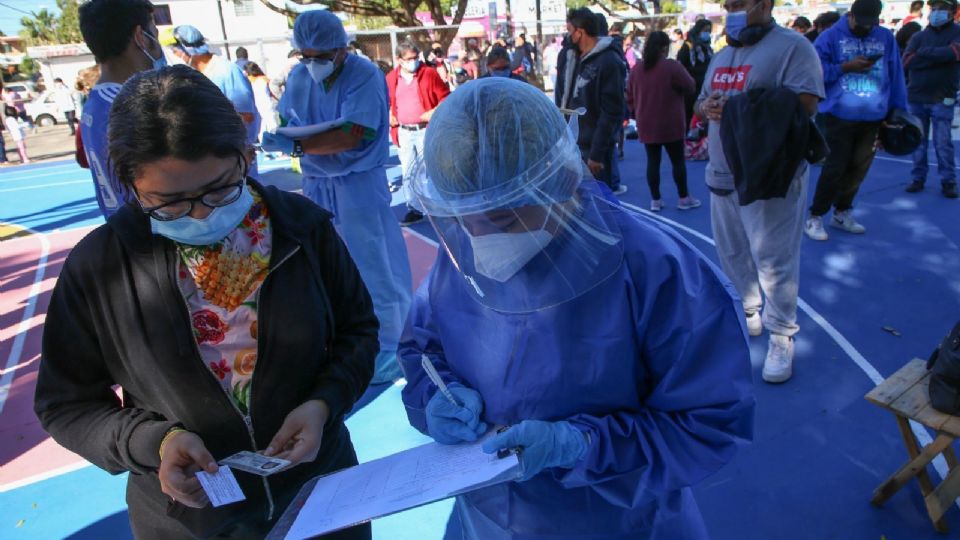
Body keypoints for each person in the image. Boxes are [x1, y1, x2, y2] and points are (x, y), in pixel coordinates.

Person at [398, 77, 754, 540]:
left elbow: (708, 419)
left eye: (501, 216)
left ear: (560, 180)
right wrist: (435, 397)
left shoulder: (657, 270)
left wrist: (582, 444)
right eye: (461, 214)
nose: (478, 235)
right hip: (487, 515)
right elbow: (424, 347)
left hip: (617, 520)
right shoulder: (462, 250)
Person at [34, 65, 376, 540]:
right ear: (131, 185)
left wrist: (323, 403)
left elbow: (358, 332)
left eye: (220, 188)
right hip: (189, 521)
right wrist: (155, 442)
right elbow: (66, 403)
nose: (201, 213)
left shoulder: (302, 229)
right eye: (169, 202)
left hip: (322, 497)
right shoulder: (99, 267)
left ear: (243, 155)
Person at [263, 10, 413, 385]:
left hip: (358, 185)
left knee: (374, 264)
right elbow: (288, 122)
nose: (313, 64)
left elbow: (354, 134)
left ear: (342, 49)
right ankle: (343, 338)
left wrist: (297, 146)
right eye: (306, 56)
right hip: (317, 184)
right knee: (324, 264)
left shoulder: (363, 74)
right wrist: (284, 136)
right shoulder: (300, 77)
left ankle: (391, 346)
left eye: (322, 56)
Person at [696, 0, 824, 383]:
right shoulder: (722, 55)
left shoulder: (793, 47)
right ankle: (750, 310)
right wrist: (709, 106)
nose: (733, 8)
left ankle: (782, 334)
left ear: (765, 4)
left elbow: (807, 103)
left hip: (770, 174)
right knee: (732, 252)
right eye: (728, 3)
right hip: (722, 172)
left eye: (741, 2)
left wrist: (741, 106)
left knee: (773, 260)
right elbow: (701, 103)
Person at [806, 0, 908, 240]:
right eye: (861, 22)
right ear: (850, 15)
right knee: (834, 167)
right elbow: (815, 73)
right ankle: (815, 216)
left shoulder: (885, 37)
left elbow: (895, 75)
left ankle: (842, 212)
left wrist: (897, 110)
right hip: (838, 114)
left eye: (870, 23)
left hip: (873, 115)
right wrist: (845, 67)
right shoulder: (829, 37)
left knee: (858, 170)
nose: (865, 28)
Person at [78, 0, 165, 217]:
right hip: (154, 235)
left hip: (127, 233)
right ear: (140, 36)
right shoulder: (132, 105)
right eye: (154, 32)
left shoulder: (97, 101)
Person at [164, 25, 261, 174]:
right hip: (213, 158)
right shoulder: (195, 75)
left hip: (235, 155)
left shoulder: (226, 71)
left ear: (187, 49)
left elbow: (246, 115)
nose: (175, 55)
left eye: (175, 50)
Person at [557, 8, 628, 195]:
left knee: (602, 206)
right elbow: (563, 96)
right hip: (572, 145)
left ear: (580, 32)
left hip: (594, 150)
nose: (568, 35)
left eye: (570, 30)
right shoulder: (571, 58)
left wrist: (597, 154)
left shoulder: (609, 61)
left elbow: (611, 112)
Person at [628, 31, 699, 212]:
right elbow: (690, 86)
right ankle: (683, 198)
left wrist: (636, 113)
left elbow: (629, 96)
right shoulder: (671, 67)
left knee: (653, 162)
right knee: (677, 161)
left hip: (646, 122)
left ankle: (655, 200)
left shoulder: (637, 69)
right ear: (665, 48)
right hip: (671, 123)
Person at [386, 40, 451, 225]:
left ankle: (438, 207)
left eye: (415, 57)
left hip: (425, 130)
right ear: (399, 60)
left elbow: (445, 97)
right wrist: (390, 114)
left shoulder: (428, 74)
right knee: (408, 171)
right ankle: (414, 208)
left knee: (431, 169)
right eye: (408, 59)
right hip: (404, 131)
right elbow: (388, 100)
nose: (413, 61)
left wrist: (434, 112)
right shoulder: (391, 78)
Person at [902, 0, 960, 198]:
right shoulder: (919, 35)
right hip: (916, 96)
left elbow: (954, 53)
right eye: (934, 8)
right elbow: (907, 61)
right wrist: (940, 57)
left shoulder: (957, 32)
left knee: (943, 142)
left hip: (943, 96)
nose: (936, 12)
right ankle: (918, 178)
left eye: (941, 8)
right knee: (917, 141)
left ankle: (948, 181)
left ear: (952, 11)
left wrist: (924, 54)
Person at [678, 19, 715, 123]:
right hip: (692, 89)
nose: (707, 33)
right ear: (698, 30)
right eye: (705, 30)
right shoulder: (688, 46)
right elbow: (681, 66)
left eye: (709, 31)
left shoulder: (708, 48)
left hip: (705, 87)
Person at [243, 62, 279, 147]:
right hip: (266, 104)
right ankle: (276, 145)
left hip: (256, 106)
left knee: (261, 127)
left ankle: (264, 146)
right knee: (272, 125)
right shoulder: (264, 79)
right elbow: (273, 92)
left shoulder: (247, 80)